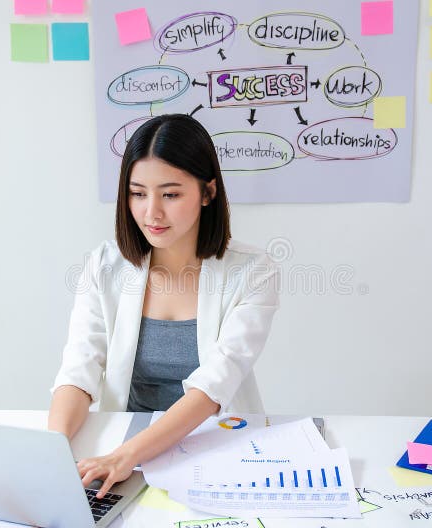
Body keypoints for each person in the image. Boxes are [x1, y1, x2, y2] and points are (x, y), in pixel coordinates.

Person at [47, 113, 280, 498]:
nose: (151, 212)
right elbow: (79, 368)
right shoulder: (103, 266)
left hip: (213, 443)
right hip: (123, 443)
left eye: (170, 194)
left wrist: (126, 457)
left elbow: (214, 385)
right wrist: (51, 450)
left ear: (208, 192)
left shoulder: (253, 271)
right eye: (138, 193)